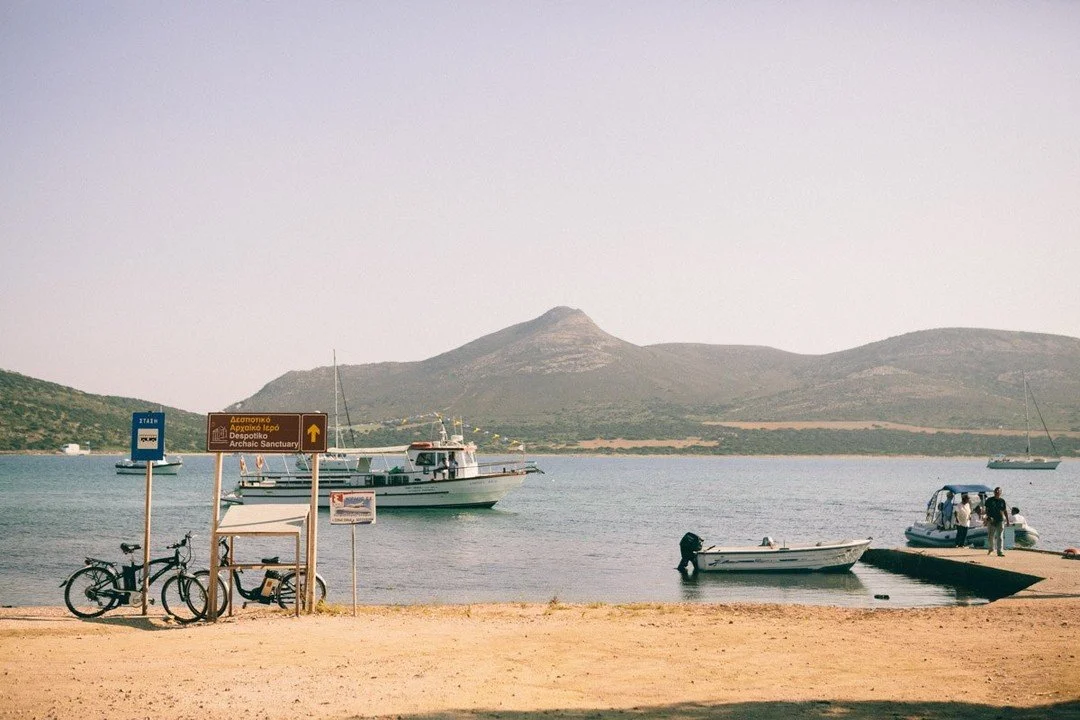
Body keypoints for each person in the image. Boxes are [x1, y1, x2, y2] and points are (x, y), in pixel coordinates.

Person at [984, 486, 1011, 556]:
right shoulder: (989, 500)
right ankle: (991, 549)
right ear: (994, 492)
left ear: (1001, 493)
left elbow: (1005, 511)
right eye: (996, 491)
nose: (997, 493)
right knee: (990, 536)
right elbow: (986, 510)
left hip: (1000, 520)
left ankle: (1000, 551)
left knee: (1000, 536)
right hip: (991, 520)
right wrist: (988, 518)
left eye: (998, 492)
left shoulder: (1002, 501)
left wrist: (1007, 520)